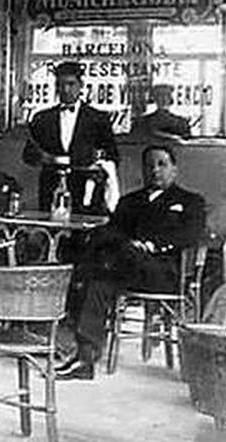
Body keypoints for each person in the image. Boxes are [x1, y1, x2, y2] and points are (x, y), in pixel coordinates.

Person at [57, 145, 208, 381]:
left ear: (174, 170)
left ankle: (74, 277)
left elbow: (190, 235)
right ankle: (85, 359)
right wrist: (129, 244)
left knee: (98, 263)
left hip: (164, 273)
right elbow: (111, 232)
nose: (155, 170)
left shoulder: (190, 202)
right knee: (98, 279)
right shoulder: (131, 201)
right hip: (126, 270)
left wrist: (149, 245)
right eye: (149, 165)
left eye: (162, 164)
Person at [22, 60, 118, 215]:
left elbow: (113, 155)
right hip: (50, 188)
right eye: (60, 85)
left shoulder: (98, 119)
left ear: (81, 85)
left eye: (71, 84)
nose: (66, 90)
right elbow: (28, 155)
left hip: (86, 189)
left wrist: (97, 163)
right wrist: (41, 158)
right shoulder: (42, 119)